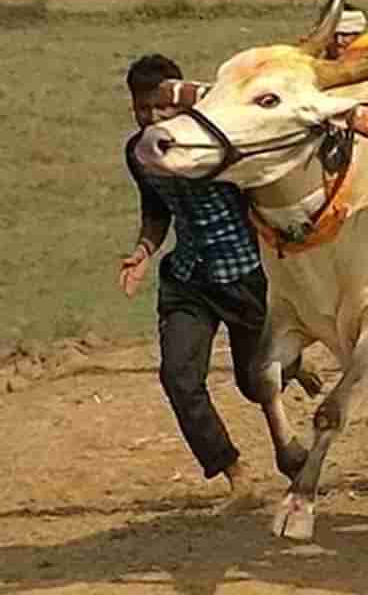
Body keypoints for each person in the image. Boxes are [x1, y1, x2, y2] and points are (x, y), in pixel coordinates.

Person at [120, 54, 320, 502]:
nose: (152, 117)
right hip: (189, 279)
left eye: (161, 105)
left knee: (256, 384)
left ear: (180, 102)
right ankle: (232, 469)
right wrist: (143, 252)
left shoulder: (222, 143)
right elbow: (155, 211)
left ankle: (293, 361)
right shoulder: (139, 153)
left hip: (245, 276)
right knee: (178, 377)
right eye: (141, 108)